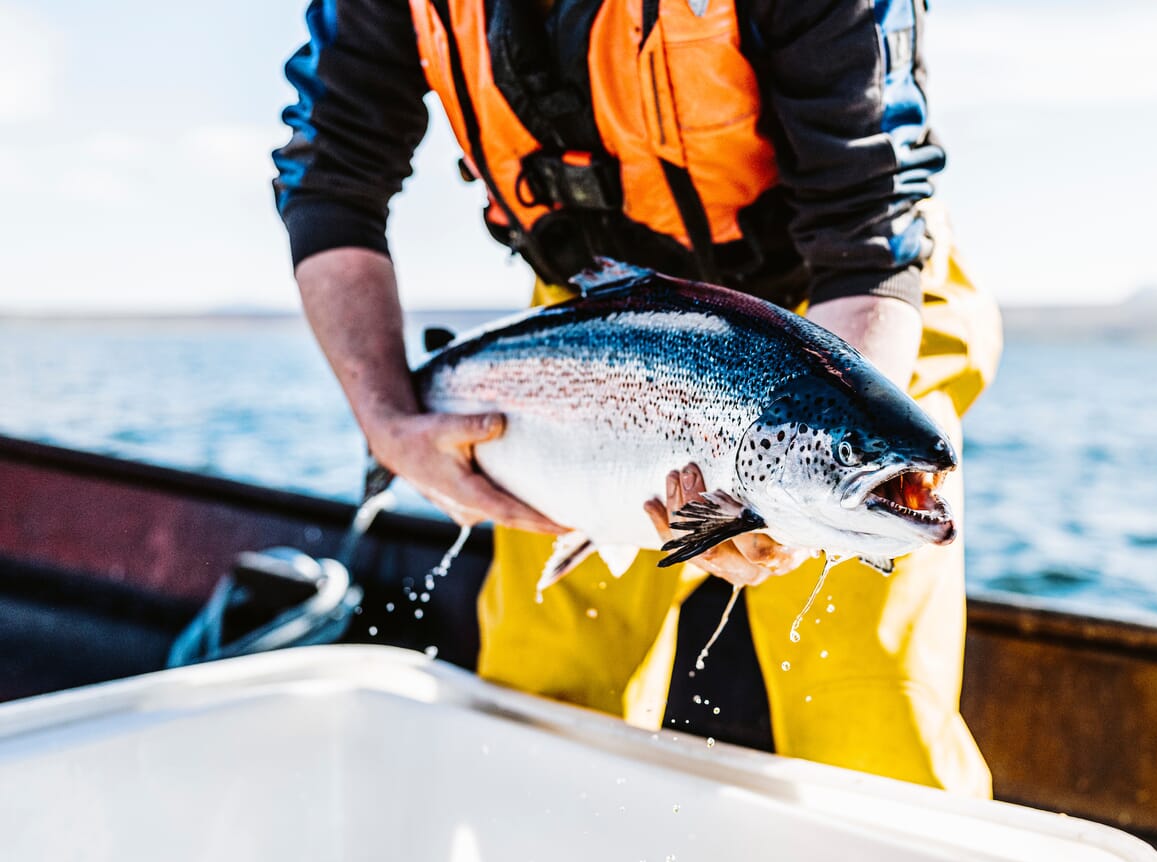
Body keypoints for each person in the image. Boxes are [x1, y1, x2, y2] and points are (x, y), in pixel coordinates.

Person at [274, 0, 1001, 796]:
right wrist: (386, 417)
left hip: (849, 322)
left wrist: (793, 504)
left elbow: (868, 225)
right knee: (544, 695)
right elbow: (331, 176)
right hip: (593, 333)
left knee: (868, 719)